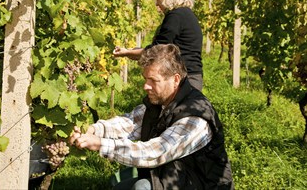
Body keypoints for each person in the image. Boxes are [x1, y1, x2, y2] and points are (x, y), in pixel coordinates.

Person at [70, 44, 234, 189]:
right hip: (175, 176)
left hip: (201, 185)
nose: (145, 86)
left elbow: (156, 152)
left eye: (153, 80)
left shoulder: (195, 118)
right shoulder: (161, 101)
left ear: (175, 79)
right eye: (145, 79)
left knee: (142, 188)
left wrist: (101, 144)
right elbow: (130, 123)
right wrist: (93, 130)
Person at [113, 0, 204, 91]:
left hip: (183, 80)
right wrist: (130, 52)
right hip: (190, 77)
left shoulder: (175, 16)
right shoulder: (185, 13)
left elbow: (156, 51)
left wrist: (127, 52)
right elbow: (162, 47)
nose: (157, 3)